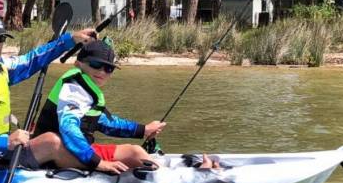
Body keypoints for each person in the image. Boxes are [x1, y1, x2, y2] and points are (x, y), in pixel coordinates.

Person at [33, 40, 217, 174]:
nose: (102, 72)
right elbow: (68, 128)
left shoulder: (86, 88)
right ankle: (192, 178)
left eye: (109, 69)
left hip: (76, 149)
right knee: (54, 140)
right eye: (96, 65)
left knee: (135, 151)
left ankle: (176, 173)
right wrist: (99, 164)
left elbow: (105, 123)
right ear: (78, 64)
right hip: (58, 153)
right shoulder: (73, 88)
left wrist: (143, 130)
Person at [0, 10, 96, 168]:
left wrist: (70, 40)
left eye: (0, 38)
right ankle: (100, 167)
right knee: (51, 142)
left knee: (57, 135)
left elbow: (31, 61)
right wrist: (5, 142)